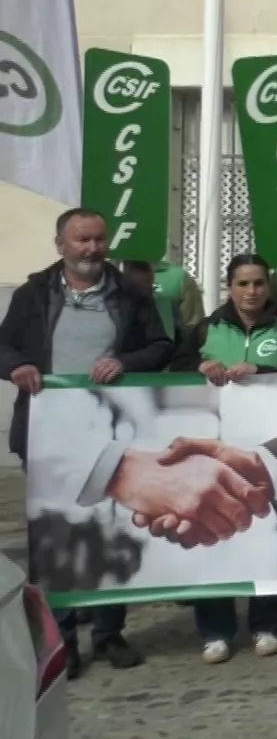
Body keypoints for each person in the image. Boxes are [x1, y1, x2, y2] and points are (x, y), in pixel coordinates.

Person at [0, 208, 175, 676]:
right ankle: (62, 639)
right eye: (81, 240)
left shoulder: (131, 294)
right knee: (55, 536)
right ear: (61, 244)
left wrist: (125, 361)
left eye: (99, 239)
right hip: (45, 433)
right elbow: (3, 345)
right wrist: (15, 366)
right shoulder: (34, 293)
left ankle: (109, 632)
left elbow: (161, 347)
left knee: (110, 530)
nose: (92, 249)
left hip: (111, 434)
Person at [171, 253, 277, 663]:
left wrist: (264, 372)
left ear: (268, 287)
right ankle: (215, 630)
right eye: (243, 284)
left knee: (269, 534)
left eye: (258, 283)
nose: (251, 291)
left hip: (270, 448)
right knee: (213, 538)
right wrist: (201, 363)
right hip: (216, 446)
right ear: (229, 287)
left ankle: (267, 625)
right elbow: (176, 368)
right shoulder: (205, 327)